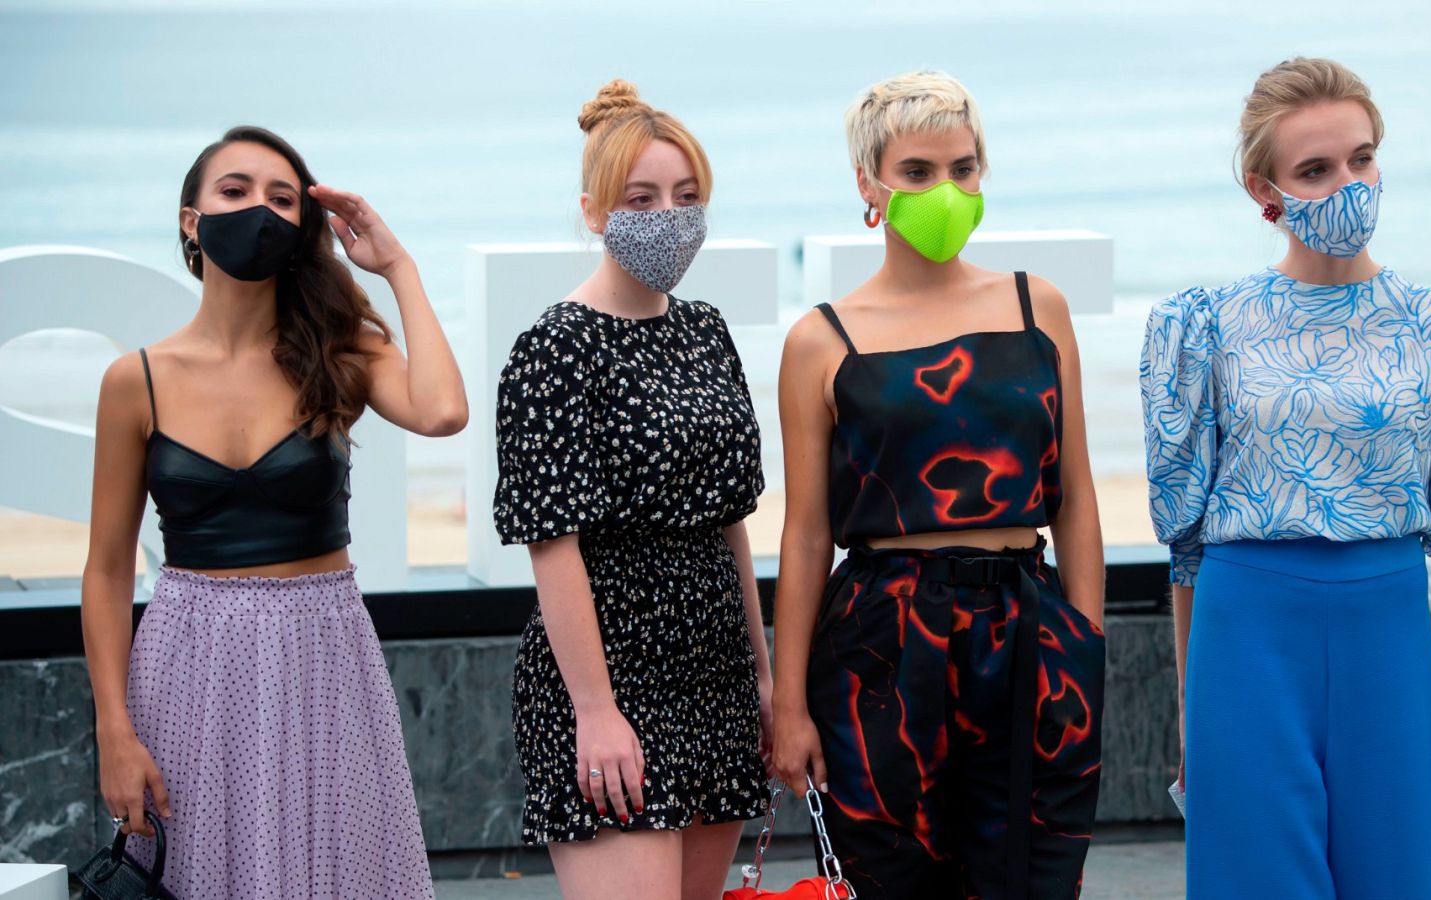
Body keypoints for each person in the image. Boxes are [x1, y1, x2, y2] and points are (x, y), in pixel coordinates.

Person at [1141, 57, 1431, 900]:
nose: (1347, 183)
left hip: (1385, 631)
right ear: (1264, 191)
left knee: (1403, 880)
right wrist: (1188, 713)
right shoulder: (1203, 328)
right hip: (1244, 637)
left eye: (1361, 158)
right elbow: (1187, 545)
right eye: (1315, 169)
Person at [82, 125, 467, 898]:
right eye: (235, 191)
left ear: (301, 229)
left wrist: (399, 268)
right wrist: (113, 731)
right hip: (188, 660)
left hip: (323, 650)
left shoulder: (340, 351)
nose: (258, 208)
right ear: (191, 220)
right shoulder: (136, 380)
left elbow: (442, 410)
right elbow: (106, 566)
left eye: (282, 198)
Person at [771, 70, 1106, 900]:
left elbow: (1075, 496)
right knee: (884, 883)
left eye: (963, 168)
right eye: (918, 172)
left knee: (1030, 881)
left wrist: (1085, 643)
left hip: (1025, 627)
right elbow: (807, 533)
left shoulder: (1039, 307)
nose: (946, 189)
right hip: (880, 642)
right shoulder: (821, 340)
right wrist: (788, 704)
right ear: (870, 186)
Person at [493, 79, 771, 900]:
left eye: (687, 196)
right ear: (594, 211)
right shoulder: (554, 347)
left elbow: (733, 523)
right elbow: (554, 544)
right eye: (642, 198)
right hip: (610, 673)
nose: (669, 216)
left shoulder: (706, 329)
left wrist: (761, 676)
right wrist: (595, 711)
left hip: (713, 667)